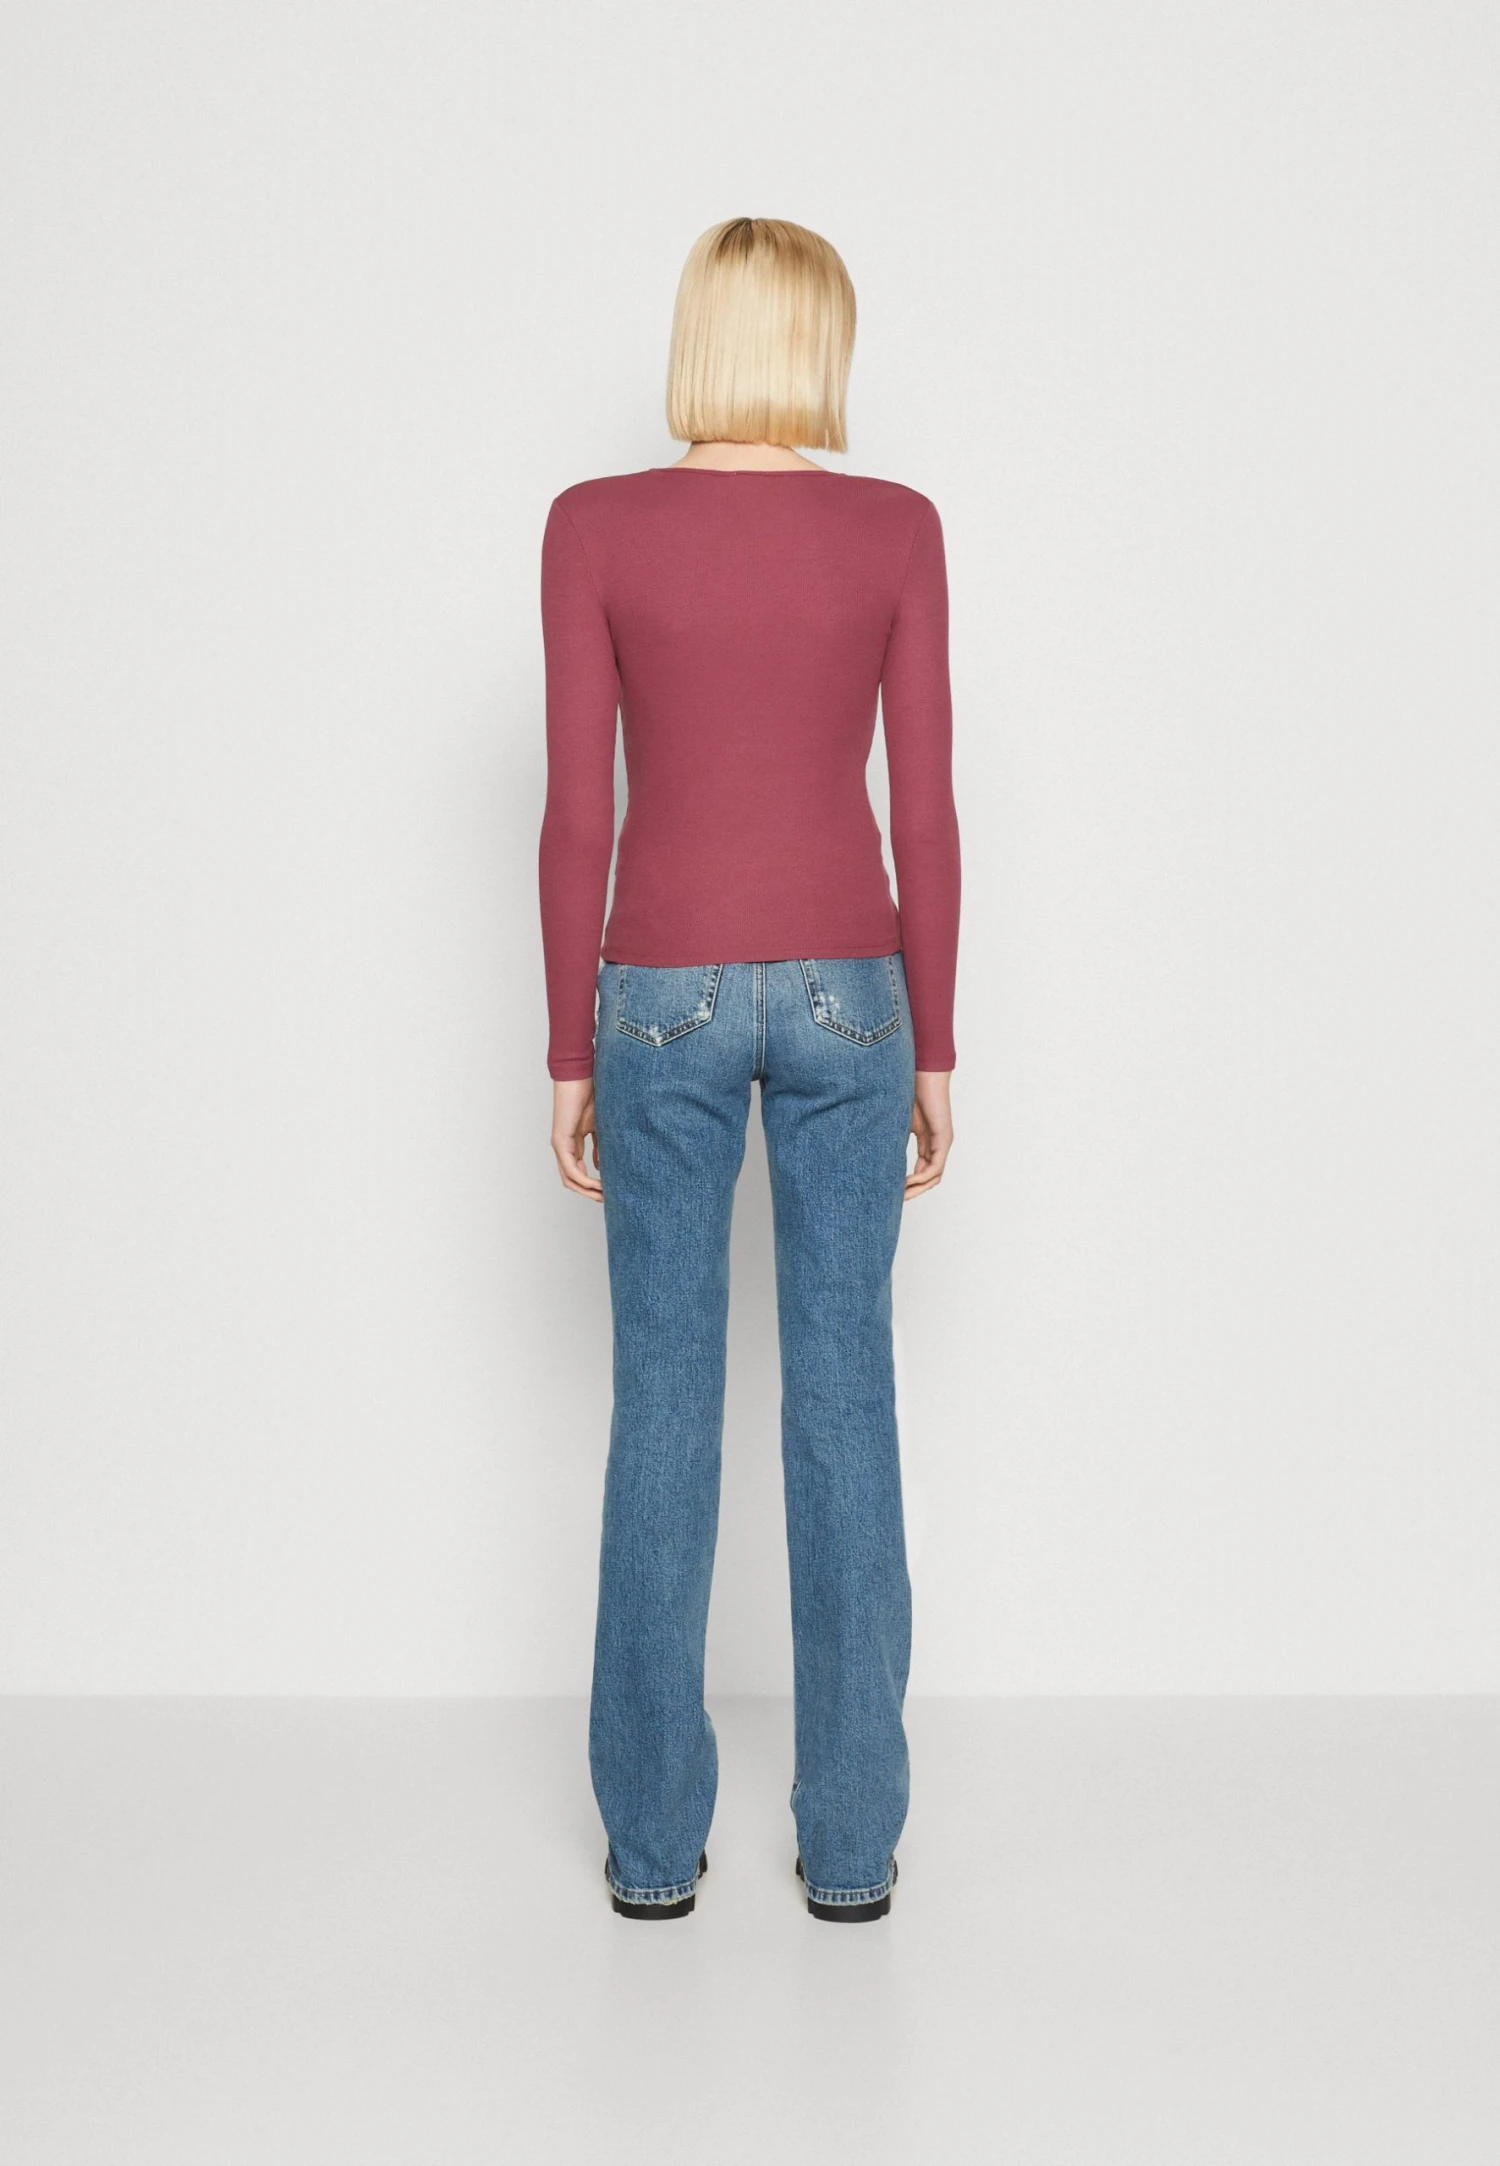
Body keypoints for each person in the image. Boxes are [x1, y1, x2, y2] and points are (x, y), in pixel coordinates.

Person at [538, 217, 960, 1922]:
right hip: (857, 991)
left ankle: (653, 1852)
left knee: (664, 1400)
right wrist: (938, 1039)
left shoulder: (593, 525)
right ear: (819, 346)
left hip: (659, 995)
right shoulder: (896, 529)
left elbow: (578, 812)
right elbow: (926, 810)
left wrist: (567, 1046)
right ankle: (850, 1849)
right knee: (844, 1396)